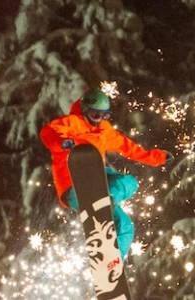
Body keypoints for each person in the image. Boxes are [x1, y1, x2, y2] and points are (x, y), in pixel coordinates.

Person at [39, 88, 172, 259]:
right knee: (116, 200)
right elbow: (48, 133)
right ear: (86, 110)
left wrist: (157, 158)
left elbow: (129, 148)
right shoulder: (71, 123)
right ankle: (103, 202)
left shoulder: (104, 131)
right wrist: (63, 142)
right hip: (74, 185)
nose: (100, 120)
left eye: (105, 115)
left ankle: (114, 264)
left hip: (99, 181)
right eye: (96, 115)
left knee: (126, 218)